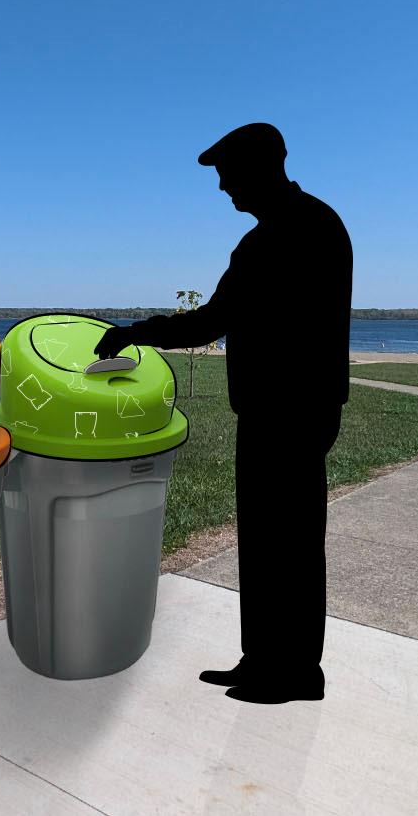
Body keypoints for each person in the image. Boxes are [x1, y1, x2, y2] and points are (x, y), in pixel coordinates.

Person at [95, 123, 351, 704]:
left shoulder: (285, 234)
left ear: (260, 167)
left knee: (286, 541)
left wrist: (134, 333)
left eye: (226, 174)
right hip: (289, 409)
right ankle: (266, 659)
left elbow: (210, 322)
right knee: (271, 538)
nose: (222, 188)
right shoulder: (310, 225)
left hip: (287, 412)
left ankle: (292, 672)